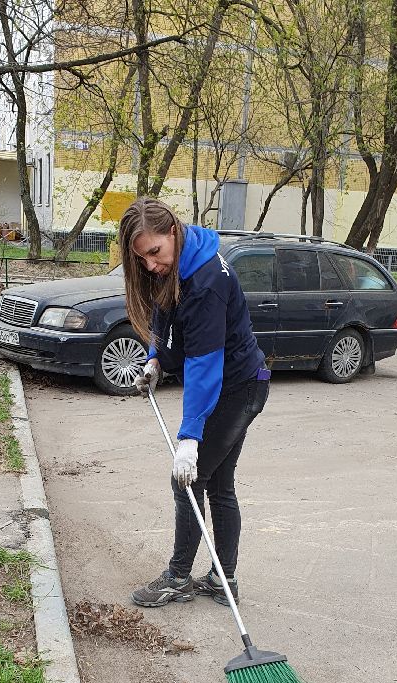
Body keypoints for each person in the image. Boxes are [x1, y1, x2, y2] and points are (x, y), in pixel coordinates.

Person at [118, 197, 270, 609]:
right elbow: (163, 318)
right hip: (233, 383)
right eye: (142, 258)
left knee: (187, 479)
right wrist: (155, 358)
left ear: (174, 232)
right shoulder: (177, 265)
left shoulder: (206, 281)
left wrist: (189, 437)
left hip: (239, 388)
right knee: (219, 484)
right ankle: (224, 580)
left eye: (155, 253)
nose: (150, 265)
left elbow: (205, 367)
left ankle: (179, 577)